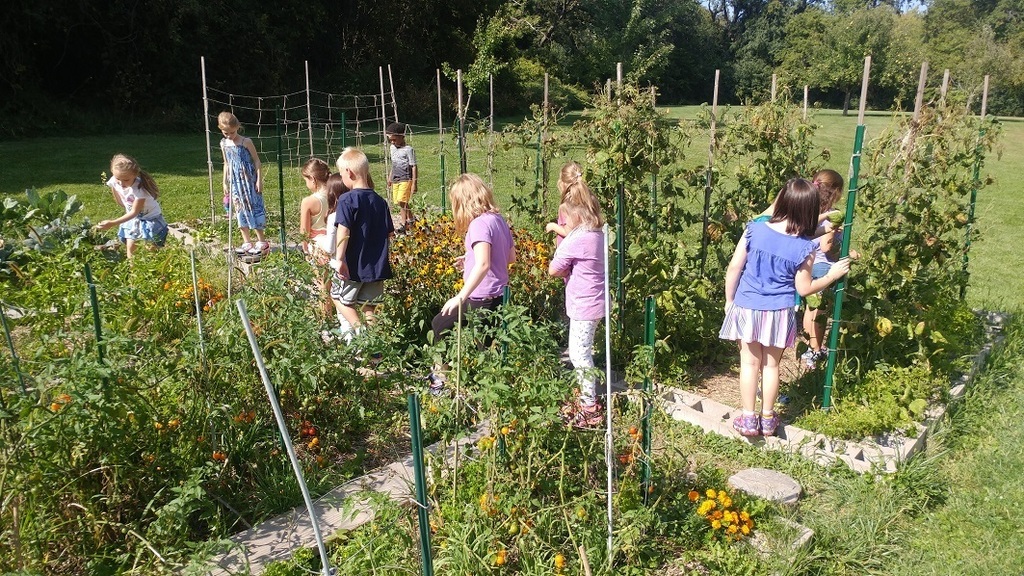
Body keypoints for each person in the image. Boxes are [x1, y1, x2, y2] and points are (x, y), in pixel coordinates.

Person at [719, 178, 850, 437]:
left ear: (782, 202)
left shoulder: (754, 230)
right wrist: (833, 274)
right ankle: (768, 419)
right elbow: (804, 289)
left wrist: (729, 300)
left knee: (749, 364)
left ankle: (748, 419)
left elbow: (734, 268)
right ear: (811, 210)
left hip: (747, 306)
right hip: (779, 312)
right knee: (771, 366)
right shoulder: (805, 247)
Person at [428, 173, 516, 394]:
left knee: (440, 325)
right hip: (498, 296)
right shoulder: (498, 220)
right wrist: (468, 258)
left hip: (479, 297)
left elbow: (484, 263)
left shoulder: (478, 224)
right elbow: (510, 257)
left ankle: (441, 379)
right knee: (484, 345)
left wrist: (460, 296)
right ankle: (483, 390)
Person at [548, 182, 606, 428]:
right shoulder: (597, 234)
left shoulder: (577, 239)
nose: (564, 225)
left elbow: (553, 270)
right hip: (595, 301)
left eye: (566, 220)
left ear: (578, 217)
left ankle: (589, 407)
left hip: (584, 304)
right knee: (583, 349)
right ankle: (585, 396)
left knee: (579, 354)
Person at [330, 147, 394, 343]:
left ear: (349, 172)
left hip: (352, 266)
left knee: (338, 298)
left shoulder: (347, 199)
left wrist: (340, 260)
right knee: (369, 307)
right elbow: (390, 233)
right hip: (377, 266)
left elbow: (344, 230)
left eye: (341, 174)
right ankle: (375, 349)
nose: (342, 178)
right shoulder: (380, 201)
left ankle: (361, 334)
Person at [800, 169, 846, 369]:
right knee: (820, 312)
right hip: (823, 266)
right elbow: (828, 248)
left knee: (810, 308)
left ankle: (811, 347)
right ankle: (815, 349)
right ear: (835, 192)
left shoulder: (809, 209)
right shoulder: (831, 216)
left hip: (809, 265)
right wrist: (845, 253)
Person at [96, 154, 169, 258]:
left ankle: (153, 266)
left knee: (150, 248)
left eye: (126, 180)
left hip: (150, 219)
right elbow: (120, 201)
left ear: (135, 175)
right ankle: (132, 271)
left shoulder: (139, 190)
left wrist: (112, 223)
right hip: (133, 218)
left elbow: (134, 212)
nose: (121, 183)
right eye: (118, 179)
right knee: (131, 246)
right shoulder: (114, 181)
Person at [218, 111, 268, 256]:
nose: (229, 135)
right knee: (239, 209)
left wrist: (259, 179)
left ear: (238, 127)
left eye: (232, 132)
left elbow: (257, 161)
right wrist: (225, 181)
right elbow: (226, 163)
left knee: (253, 207)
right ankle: (246, 241)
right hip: (235, 183)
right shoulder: (223, 143)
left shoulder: (246, 141)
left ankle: (262, 241)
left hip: (248, 181)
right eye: (225, 132)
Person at [545, 161, 588, 247]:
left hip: (567, 251)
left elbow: (568, 232)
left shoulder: (566, 207)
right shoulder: (586, 202)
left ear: (563, 184)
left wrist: (553, 226)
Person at [386, 122, 417, 232]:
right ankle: (412, 220)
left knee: (401, 201)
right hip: (395, 179)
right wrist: (390, 177)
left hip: (406, 178)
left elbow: (413, 166)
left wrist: (414, 183)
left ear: (402, 136)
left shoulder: (409, 150)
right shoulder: (392, 148)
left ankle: (404, 224)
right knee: (400, 202)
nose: (392, 142)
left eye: (394, 140)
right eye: (391, 140)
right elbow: (393, 164)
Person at [299, 157, 332, 258]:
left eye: (306, 180)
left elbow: (305, 231)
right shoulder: (336, 195)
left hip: (317, 247)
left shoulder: (308, 202)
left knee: (321, 274)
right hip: (336, 242)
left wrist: (305, 250)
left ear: (313, 179)